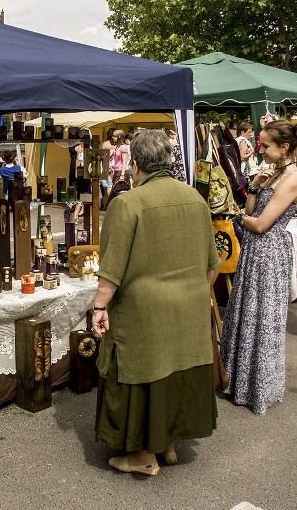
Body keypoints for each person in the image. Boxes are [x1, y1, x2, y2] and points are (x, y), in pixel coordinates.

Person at [91, 129, 219, 476]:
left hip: (144, 311)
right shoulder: (195, 198)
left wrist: (99, 308)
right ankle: (170, 445)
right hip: (190, 306)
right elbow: (212, 263)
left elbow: (112, 268)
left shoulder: (128, 203)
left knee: (142, 373)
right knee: (177, 372)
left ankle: (142, 455)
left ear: (135, 165)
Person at [220, 119, 297, 415]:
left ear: (284, 148)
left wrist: (231, 215)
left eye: (266, 145)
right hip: (255, 252)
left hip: (269, 253)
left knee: (262, 316)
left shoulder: (292, 178)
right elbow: (250, 211)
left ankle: (256, 387)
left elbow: (259, 224)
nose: (261, 150)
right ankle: (236, 382)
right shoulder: (272, 174)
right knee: (246, 310)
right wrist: (254, 186)